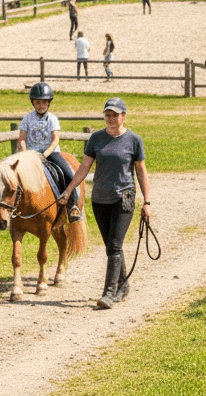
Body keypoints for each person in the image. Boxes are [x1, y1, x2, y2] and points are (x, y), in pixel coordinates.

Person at [58, 98, 150, 310]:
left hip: (123, 198)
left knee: (115, 245)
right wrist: (69, 189)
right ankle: (124, 286)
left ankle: (109, 293)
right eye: (108, 114)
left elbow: (141, 171)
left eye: (115, 115)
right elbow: (84, 167)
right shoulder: (96, 139)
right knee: (111, 245)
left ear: (123, 116)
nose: (111, 118)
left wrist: (147, 201)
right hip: (99, 199)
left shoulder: (134, 140)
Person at [18, 82, 80, 221]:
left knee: (69, 174)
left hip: (50, 153)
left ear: (49, 103)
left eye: (44, 103)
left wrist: (45, 154)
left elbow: (55, 140)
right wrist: (24, 152)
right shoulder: (27, 118)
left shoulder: (52, 118)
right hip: (31, 154)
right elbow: (22, 138)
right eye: (38, 102)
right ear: (33, 103)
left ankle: (73, 206)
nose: (41, 105)